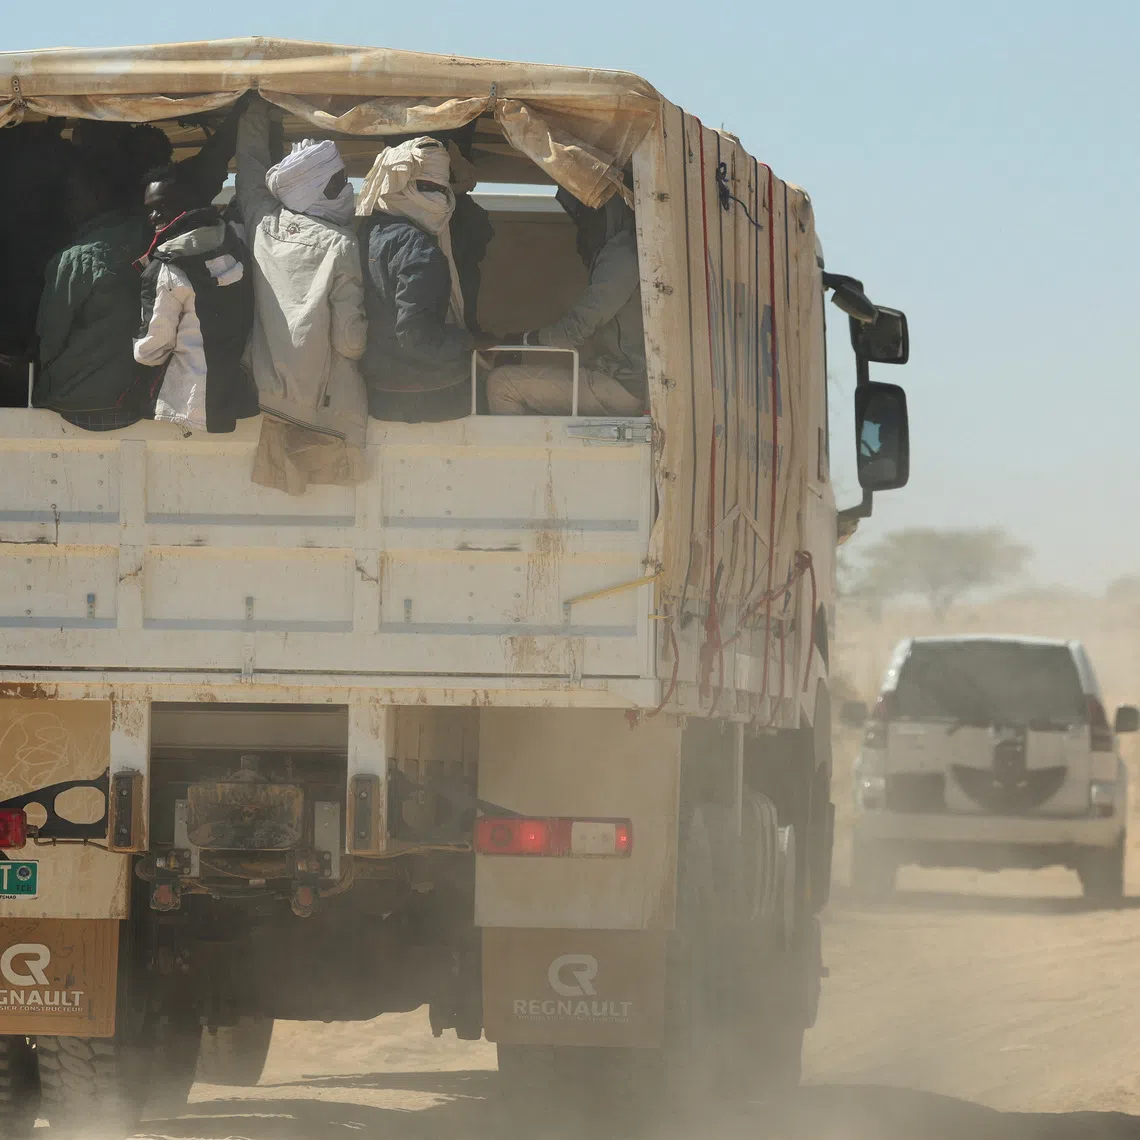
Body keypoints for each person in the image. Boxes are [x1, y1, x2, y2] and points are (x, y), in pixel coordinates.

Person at [235, 96, 368, 492]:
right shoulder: (342, 245)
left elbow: (250, 165)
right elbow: (351, 342)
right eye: (339, 182)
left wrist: (256, 109)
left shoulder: (260, 220)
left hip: (265, 396)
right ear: (313, 190)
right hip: (323, 412)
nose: (347, 188)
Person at [487, 188, 646, 417]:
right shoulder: (621, 251)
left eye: (593, 213)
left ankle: (513, 455)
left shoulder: (623, 255)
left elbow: (575, 330)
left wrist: (520, 341)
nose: (584, 225)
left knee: (501, 385)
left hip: (622, 385)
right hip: (615, 377)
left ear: (611, 212)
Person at [132, 162, 258, 433]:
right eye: (149, 209)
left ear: (186, 204)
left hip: (185, 408)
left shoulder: (167, 266)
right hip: (240, 397)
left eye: (160, 206)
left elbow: (151, 351)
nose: (153, 216)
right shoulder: (236, 239)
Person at [356, 136, 474, 422]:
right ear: (403, 186)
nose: (439, 200)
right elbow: (416, 339)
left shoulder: (365, 234)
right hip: (434, 397)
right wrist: (470, 342)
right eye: (429, 188)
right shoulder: (419, 247)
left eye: (442, 190)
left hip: (380, 396)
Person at [32, 150, 153, 430]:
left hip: (77, 402)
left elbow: (50, 336)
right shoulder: (153, 235)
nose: (66, 208)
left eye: (72, 198)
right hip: (143, 399)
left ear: (98, 195)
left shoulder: (74, 258)